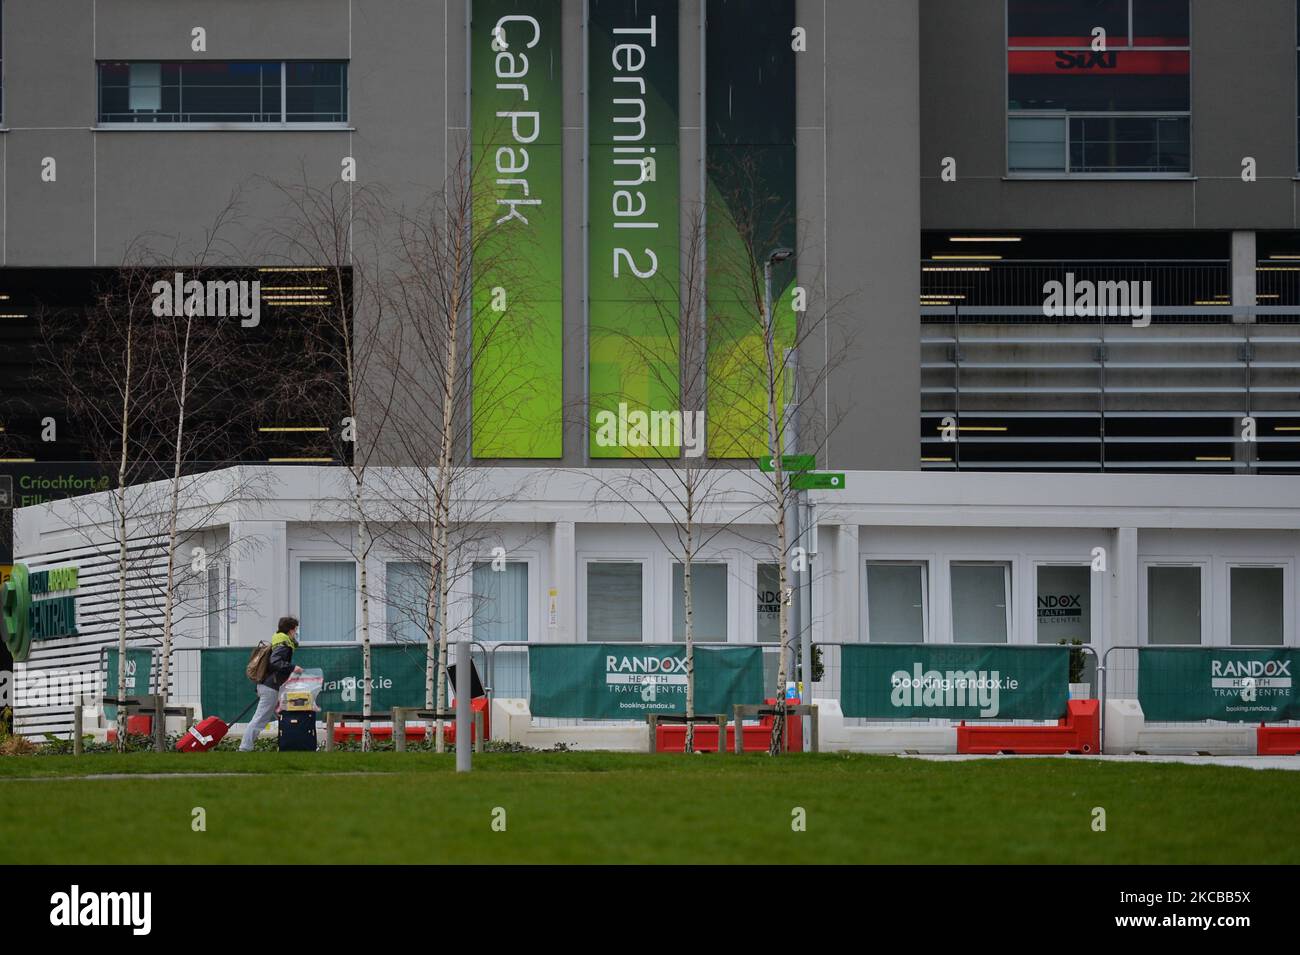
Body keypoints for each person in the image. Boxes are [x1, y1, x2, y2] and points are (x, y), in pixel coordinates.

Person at [239, 617, 302, 751]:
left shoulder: (279, 641)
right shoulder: (283, 645)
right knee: (260, 719)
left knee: (283, 714)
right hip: (270, 687)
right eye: (295, 629)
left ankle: (290, 744)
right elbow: (275, 661)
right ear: (291, 630)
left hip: (268, 685)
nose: (296, 632)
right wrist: (293, 667)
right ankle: (244, 748)